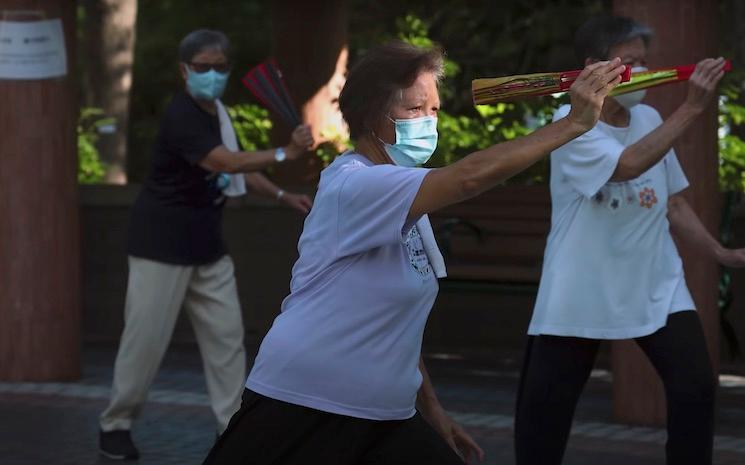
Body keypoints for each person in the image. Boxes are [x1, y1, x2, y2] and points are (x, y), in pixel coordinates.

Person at [201, 41, 625, 465]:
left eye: (434, 110)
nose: (428, 121)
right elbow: (468, 179)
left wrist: (433, 410)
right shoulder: (354, 184)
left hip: (385, 414)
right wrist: (573, 123)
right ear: (370, 117)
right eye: (413, 109)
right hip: (305, 401)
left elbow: (397, 322)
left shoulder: (402, 189)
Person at [514, 16, 741, 465]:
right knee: (547, 411)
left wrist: (720, 252)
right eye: (628, 61)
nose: (639, 71)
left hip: (656, 278)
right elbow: (628, 164)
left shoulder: (650, 117)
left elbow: (674, 203)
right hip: (582, 286)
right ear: (594, 67)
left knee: (695, 386)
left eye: (643, 61)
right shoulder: (570, 123)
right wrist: (693, 107)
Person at [98, 29, 314, 460]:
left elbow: (236, 170)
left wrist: (280, 194)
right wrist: (283, 155)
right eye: (202, 68)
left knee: (227, 340)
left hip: (207, 246)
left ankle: (230, 429)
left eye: (219, 68)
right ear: (184, 70)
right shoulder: (181, 116)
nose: (211, 75)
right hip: (160, 246)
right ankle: (115, 424)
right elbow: (224, 161)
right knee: (145, 343)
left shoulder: (219, 112)